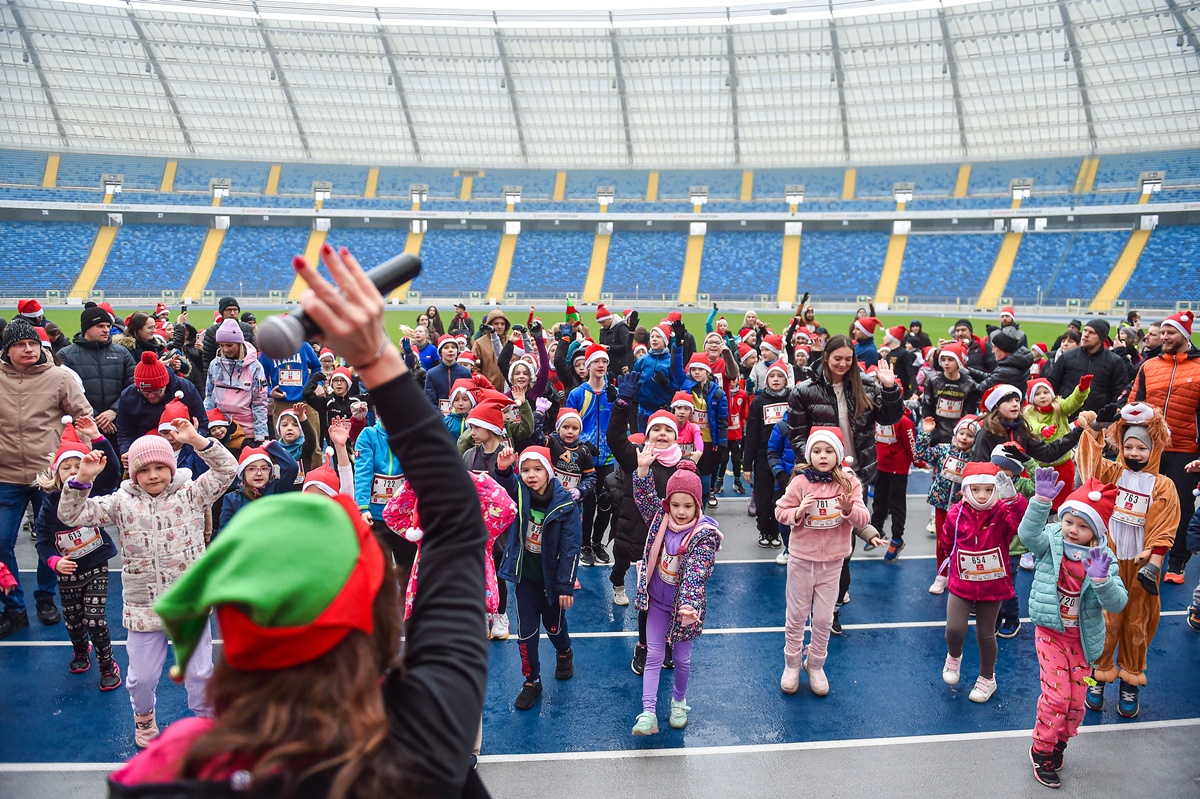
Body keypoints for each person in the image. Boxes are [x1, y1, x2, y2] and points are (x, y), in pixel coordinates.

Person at [108, 245, 491, 796]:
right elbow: (457, 523)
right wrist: (377, 356)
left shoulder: (165, 777)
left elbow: (455, 525)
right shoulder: (425, 744)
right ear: (381, 619)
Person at [59, 418, 236, 747]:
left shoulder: (192, 494)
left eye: (160, 467)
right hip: (144, 607)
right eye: (144, 470)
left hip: (188, 605)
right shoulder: (121, 502)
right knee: (141, 679)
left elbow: (228, 470)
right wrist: (81, 478)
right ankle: (144, 720)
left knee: (199, 674)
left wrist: (197, 439)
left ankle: (205, 721)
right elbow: (71, 516)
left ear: (171, 466)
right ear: (133, 474)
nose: (153, 475)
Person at [788, 334, 903, 633]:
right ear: (826, 357)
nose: (842, 363)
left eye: (848, 359)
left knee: (843, 547)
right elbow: (797, 435)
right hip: (817, 477)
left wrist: (890, 388)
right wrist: (819, 464)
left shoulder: (865, 385)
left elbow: (890, 417)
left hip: (854, 475)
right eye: (837, 357)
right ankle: (808, 600)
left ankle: (833, 607)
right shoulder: (804, 391)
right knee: (814, 538)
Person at [1019, 472, 1126, 789]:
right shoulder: (1050, 540)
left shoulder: (1102, 559)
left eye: (1083, 526)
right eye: (1069, 521)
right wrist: (1040, 502)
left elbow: (1119, 602)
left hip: (1082, 641)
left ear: (1095, 531)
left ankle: (1059, 743)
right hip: (1050, 634)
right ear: (1061, 519)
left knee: (1077, 701)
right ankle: (1041, 750)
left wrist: (1102, 581)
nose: (1073, 530)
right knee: (1058, 696)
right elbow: (1027, 535)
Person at [1076, 403, 1179, 718]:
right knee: (1104, 620)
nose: (1134, 453)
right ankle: (1098, 673)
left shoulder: (1162, 486)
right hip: (1108, 560)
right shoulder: (1112, 472)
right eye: (1128, 446)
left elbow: (1165, 525)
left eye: (1141, 448)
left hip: (1139, 565)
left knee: (1136, 623)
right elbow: (1089, 466)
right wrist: (1094, 431)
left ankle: (1130, 679)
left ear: (1154, 449)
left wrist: (1155, 559)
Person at [0, 318, 92, 638]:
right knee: (1, 542)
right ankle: (13, 607)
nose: (28, 349)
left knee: (51, 539)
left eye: (33, 344)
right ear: (7, 350)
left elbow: (84, 417)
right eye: (20, 344)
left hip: (48, 477)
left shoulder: (59, 377)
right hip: (5, 476)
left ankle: (45, 596)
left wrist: (83, 461)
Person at [775, 427, 882, 696]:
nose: (823, 456)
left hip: (833, 561)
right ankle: (792, 663)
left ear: (839, 454)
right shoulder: (800, 482)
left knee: (823, 619)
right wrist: (797, 512)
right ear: (809, 454)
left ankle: (816, 663)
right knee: (797, 615)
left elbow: (863, 518)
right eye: (817, 451)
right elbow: (780, 510)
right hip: (801, 559)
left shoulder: (849, 482)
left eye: (829, 451)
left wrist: (848, 510)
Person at [629, 458, 719, 735]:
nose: (680, 512)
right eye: (675, 504)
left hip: (685, 610)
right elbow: (644, 497)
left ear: (698, 505)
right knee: (654, 654)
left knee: (681, 659)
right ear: (668, 503)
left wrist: (689, 605)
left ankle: (679, 702)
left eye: (688, 505)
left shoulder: (703, 535)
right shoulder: (661, 518)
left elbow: (696, 570)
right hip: (656, 601)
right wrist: (643, 470)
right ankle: (647, 713)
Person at [33, 415, 122, 690]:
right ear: (55, 473)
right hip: (68, 572)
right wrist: (54, 562)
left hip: (95, 563)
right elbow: (43, 541)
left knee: (94, 618)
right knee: (73, 621)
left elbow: (113, 471)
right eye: (66, 468)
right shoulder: (49, 505)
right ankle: (81, 650)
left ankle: (107, 663)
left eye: (78, 465)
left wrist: (97, 438)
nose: (73, 471)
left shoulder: (95, 493)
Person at [497, 446, 581, 711]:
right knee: (526, 633)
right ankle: (532, 681)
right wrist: (503, 469)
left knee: (554, 628)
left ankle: (564, 651)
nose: (530, 475)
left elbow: (571, 548)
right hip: (527, 579)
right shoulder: (520, 494)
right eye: (525, 470)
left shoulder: (566, 504)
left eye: (537, 469)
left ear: (549, 472)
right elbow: (504, 486)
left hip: (552, 582)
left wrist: (565, 585)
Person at [939, 462, 1027, 703]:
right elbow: (947, 540)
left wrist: (1013, 499)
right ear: (966, 489)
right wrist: (953, 568)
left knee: (985, 634)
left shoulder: (1001, 511)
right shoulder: (956, 512)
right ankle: (953, 656)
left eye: (988, 490)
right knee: (954, 629)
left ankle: (987, 678)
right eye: (976, 489)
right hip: (962, 582)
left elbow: (1019, 525)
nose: (982, 495)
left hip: (993, 584)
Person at [1127, 311, 1200, 585]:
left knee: (1181, 508)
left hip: (1185, 450)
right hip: (1149, 449)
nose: (1165, 337)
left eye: (1171, 332)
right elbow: (1135, 402)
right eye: (1163, 332)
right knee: (1144, 504)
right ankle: (1144, 552)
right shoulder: (1148, 365)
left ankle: (1178, 561)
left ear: (1185, 335)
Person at [916, 415, 978, 593]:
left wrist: (968, 492)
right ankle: (941, 576)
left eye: (969, 435)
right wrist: (926, 434)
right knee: (942, 541)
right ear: (955, 434)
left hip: (964, 507)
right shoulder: (943, 449)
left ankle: (959, 575)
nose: (964, 438)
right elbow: (920, 454)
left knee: (963, 542)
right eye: (961, 433)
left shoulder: (975, 458)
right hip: (942, 504)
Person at [567, 343, 616, 565]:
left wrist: (621, 402)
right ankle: (584, 544)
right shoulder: (577, 394)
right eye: (596, 361)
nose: (601, 365)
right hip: (585, 459)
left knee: (606, 502)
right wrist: (583, 445)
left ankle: (598, 543)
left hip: (607, 458)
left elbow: (620, 423)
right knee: (587, 505)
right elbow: (568, 425)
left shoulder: (612, 393)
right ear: (587, 366)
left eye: (604, 361)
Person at [57, 303, 136, 438]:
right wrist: (96, 417)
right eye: (100, 326)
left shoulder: (122, 352)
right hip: (83, 428)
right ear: (86, 328)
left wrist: (114, 410)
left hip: (118, 426)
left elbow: (133, 385)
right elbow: (67, 393)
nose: (106, 330)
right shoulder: (65, 355)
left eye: (108, 326)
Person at [1022, 376, 1091, 512]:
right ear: (1030, 397)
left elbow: (1073, 402)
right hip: (1038, 464)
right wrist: (1042, 428)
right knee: (1037, 496)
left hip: (1062, 462)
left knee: (1063, 492)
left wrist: (1082, 389)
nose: (1042, 396)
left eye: (1045, 392)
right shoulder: (1028, 412)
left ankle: (1061, 512)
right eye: (1037, 393)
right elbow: (1031, 425)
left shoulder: (1059, 407)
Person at [1042, 319, 1134, 416]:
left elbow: (1119, 392)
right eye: (1085, 330)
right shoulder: (1067, 357)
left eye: (1091, 333)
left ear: (1101, 338)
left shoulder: (1114, 361)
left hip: (1097, 420)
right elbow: (1052, 384)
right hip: (1066, 417)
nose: (1085, 335)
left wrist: (1108, 415)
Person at [744, 362, 792, 548]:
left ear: (786, 379)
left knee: (781, 495)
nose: (776, 380)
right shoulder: (759, 402)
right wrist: (747, 465)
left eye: (780, 376)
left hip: (785, 456)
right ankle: (764, 530)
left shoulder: (792, 399)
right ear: (766, 380)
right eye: (772, 376)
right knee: (763, 496)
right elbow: (752, 434)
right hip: (763, 455)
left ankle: (776, 531)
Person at [204, 319, 269, 445]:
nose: (225, 349)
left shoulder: (255, 367)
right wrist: (204, 424)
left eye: (229, 345)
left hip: (246, 433)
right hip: (219, 430)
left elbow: (259, 404)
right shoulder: (214, 365)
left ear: (239, 343)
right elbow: (209, 397)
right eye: (222, 345)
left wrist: (261, 436)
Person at [219, 442, 300, 529]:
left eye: (264, 468)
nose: (259, 473)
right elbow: (225, 532)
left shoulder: (277, 489)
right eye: (252, 469)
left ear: (270, 472)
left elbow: (292, 467)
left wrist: (272, 446)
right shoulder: (232, 499)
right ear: (243, 473)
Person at [872, 407, 916, 560]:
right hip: (881, 466)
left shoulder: (903, 422)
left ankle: (897, 538)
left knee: (896, 504)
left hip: (898, 468)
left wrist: (917, 462)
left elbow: (911, 444)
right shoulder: (877, 416)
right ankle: (876, 529)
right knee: (879, 500)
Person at [920, 341, 978, 445]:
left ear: (959, 361)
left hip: (958, 437)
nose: (946, 363)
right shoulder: (933, 381)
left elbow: (970, 411)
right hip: (936, 434)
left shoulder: (969, 384)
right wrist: (933, 431)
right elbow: (926, 406)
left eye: (950, 360)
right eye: (943, 360)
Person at [200, 296, 255, 368]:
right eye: (228, 310)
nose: (232, 313)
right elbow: (207, 359)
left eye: (235, 310)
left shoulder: (247, 328)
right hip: (221, 373)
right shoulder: (212, 331)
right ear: (222, 312)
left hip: (245, 372)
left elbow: (254, 353)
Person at [473, 310, 511, 390]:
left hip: (511, 391)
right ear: (489, 325)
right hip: (488, 390)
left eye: (502, 324)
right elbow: (474, 368)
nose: (500, 326)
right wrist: (485, 384)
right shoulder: (479, 343)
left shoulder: (511, 341)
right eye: (496, 324)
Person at [597, 303, 632, 376]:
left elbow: (626, 346)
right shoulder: (603, 331)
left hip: (621, 367)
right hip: (608, 367)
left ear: (609, 318)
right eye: (600, 323)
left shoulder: (622, 327)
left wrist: (609, 348)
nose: (602, 325)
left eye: (603, 322)